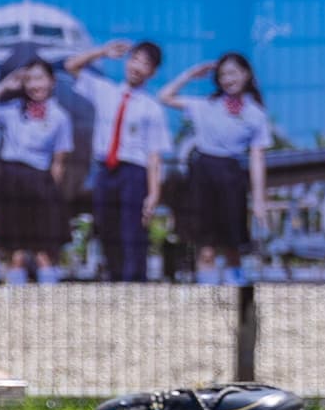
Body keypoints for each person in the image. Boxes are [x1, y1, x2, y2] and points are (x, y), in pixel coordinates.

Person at [162, 51, 281, 285]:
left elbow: (258, 158)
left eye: (233, 73)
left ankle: (237, 297)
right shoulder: (205, 105)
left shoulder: (256, 114)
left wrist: (259, 200)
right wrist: (190, 75)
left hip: (231, 175)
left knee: (232, 245)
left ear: (246, 74)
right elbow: (165, 96)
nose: (228, 79)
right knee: (205, 246)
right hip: (202, 172)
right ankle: (206, 295)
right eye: (223, 74)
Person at [64, 39, 170, 283]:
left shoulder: (151, 107)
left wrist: (154, 194)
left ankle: (135, 285)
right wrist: (102, 51)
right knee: (107, 229)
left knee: (132, 232)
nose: (136, 66)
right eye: (134, 59)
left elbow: (155, 155)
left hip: (134, 172)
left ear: (152, 72)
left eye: (145, 64)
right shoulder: (105, 90)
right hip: (105, 170)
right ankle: (114, 280)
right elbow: (71, 66)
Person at [0, 57, 72, 284]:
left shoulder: (60, 116)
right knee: (17, 253)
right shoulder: (12, 110)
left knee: (44, 252)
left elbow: (59, 161)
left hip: (40, 181)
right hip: (11, 180)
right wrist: (5, 85)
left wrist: (52, 196)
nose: (35, 85)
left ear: (52, 81)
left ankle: (49, 306)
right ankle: (15, 308)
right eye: (29, 79)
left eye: (40, 78)